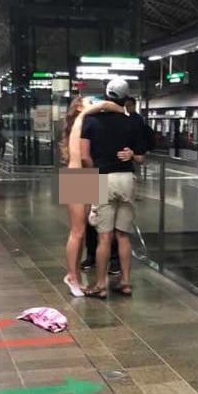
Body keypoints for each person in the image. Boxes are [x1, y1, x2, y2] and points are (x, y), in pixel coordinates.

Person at [80, 78, 145, 298]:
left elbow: (84, 157)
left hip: (102, 178)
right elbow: (140, 158)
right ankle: (125, 283)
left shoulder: (90, 121)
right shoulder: (133, 122)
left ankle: (100, 285)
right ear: (126, 99)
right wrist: (132, 155)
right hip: (127, 178)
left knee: (104, 237)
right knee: (123, 235)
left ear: (105, 95)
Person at [60, 96, 126, 297]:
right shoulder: (82, 120)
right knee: (77, 232)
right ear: (80, 107)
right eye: (90, 101)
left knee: (80, 231)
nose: (95, 103)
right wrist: (121, 110)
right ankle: (72, 276)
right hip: (79, 177)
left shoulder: (83, 122)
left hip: (80, 177)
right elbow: (106, 105)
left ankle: (75, 275)